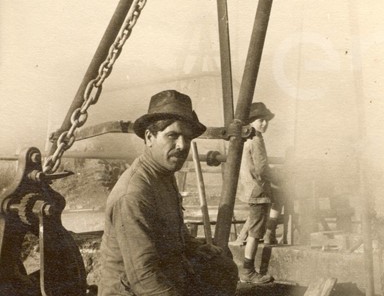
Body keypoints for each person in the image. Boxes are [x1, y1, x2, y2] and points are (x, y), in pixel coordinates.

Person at [98, 90, 238, 296]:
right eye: (172, 135)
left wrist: (194, 247)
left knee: (222, 267)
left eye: (187, 138)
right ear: (149, 137)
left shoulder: (163, 174)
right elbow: (143, 277)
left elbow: (172, 231)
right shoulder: (134, 194)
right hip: (135, 290)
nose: (182, 145)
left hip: (166, 276)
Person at [235, 102, 282, 284]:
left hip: (249, 188)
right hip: (258, 191)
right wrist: (277, 177)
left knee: (255, 227)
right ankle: (248, 271)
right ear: (251, 122)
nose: (264, 124)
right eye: (260, 120)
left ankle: (269, 235)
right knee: (255, 233)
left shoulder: (245, 139)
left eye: (266, 120)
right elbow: (262, 168)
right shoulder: (256, 139)